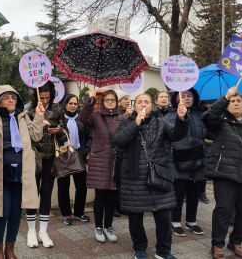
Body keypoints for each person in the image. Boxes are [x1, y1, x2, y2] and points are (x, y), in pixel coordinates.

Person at [113, 94, 189, 259]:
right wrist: (136, 123)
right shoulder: (127, 122)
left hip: (158, 176)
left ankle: (163, 251)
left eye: (146, 102)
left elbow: (176, 135)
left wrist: (182, 119)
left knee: (164, 215)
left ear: (152, 105)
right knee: (135, 217)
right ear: (134, 106)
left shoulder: (159, 121)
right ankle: (139, 248)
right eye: (139, 102)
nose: (143, 105)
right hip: (134, 178)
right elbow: (119, 140)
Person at [0, 85, 45, 259]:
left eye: (14, 97)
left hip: (21, 173)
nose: (11, 100)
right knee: (2, 213)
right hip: (0, 173)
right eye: (7, 97)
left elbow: (36, 136)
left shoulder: (22, 116)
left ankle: (10, 249)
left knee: (16, 214)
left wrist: (39, 116)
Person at [202, 87, 242, 259]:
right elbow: (208, 116)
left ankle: (236, 241)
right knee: (224, 209)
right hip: (224, 173)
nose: (235, 104)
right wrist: (225, 97)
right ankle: (217, 244)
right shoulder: (219, 122)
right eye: (232, 101)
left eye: (239, 101)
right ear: (227, 106)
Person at [80, 90, 127, 243]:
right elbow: (83, 117)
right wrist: (90, 99)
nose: (110, 102)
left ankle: (108, 226)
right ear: (102, 102)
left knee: (112, 196)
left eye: (112, 100)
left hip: (116, 161)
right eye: (107, 100)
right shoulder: (96, 117)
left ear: (116, 101)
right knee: (100, 196)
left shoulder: (123, 118)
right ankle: (98, 227)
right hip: (100, 160)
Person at [25, 81, 68, 248]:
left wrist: (59, 131)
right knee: (31, 194)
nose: (44, 101)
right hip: (33, 157)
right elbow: (25, 135)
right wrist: (39, 123)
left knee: (46, 193)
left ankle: (43, 231)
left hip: (51, 157)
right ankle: (31, 231)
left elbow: (65, 133)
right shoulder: (28, 109)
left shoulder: (57, 109)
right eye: (41, 97)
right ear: (35, 96)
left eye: (47, 97)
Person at [165, 89, 208, 237]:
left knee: (194, 192)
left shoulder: (201, 114)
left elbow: (207, 132)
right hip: (178, 157)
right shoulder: (170, 115)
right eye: (182, 96)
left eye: (189, 96)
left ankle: (191, 221)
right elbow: (167, 137)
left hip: (197, 156)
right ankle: (175, 222)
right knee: (178, 192)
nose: (186, 98)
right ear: (177, 99)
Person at [57, 94, 92, 226]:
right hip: (63, 155)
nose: (73, 106)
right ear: (65, 104)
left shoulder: (83, 119)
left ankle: (79, 212)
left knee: (81, 186)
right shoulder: (60, 119)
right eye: (70, 103)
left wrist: (85, 150)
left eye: (75, 104)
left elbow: (89, 136)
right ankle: (66, 213)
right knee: (63, 186)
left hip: (79, 155)